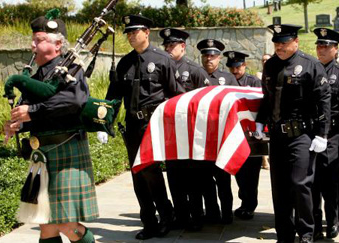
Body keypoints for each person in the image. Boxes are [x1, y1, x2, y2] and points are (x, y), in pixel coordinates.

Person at [4, 14, 98, 243]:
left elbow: (73, 102)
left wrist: (32, 111)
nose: (32, 45)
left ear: (58, 44)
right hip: (42, 155)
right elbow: (35, 112)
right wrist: (18, 123)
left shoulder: (72, 69)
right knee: (46, 224)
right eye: (33, 40)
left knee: (66, 223)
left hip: (66, 150)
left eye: (40, 39)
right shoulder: (37, 76)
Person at [97, 15, 184, 240]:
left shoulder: (162, 59)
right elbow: (113, 98)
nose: (131, 36)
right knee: (138, 174)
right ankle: (149, 222)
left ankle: (166, 216)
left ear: (146, 32)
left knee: (151, 171)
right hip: (133, 125)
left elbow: (176, 94)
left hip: (153, 124)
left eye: (135, 32)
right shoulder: (124, 62)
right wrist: (103, 124)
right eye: (128, 33)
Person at [254, 24, 331, 243]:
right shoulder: (270, 66)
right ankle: (284, 235)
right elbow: (267, 98)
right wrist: (260, 122)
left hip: (302, 135)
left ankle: (306, 233)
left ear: (295, 42)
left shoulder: (310, 65)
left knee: (300, 184)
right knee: (280, 189)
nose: (279, 46)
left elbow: (323, 100)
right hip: (278, 136)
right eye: (276, 43)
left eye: (283, 42)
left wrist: (322, 134)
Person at [159, 27, 209, 231]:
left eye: (172, 45)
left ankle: (197, 216)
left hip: (190, 133)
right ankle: (180, 217)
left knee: (193, 178)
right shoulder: (162, 67)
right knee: (174, 176)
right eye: (166, 45)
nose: (169, 48)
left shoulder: (194, 69)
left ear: (183, 46)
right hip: (170, 133)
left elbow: (205, 101)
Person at [311, 28, 339, 240]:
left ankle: (332, 221)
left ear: (335, 49)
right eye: (319, 45)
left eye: (325, 46)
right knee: (313, 183)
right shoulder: (311, 69)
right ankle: (315, 224)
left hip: (335, 135)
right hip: (314, 133)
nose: (321, 49)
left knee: (331, 184)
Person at [196, 39, 239, 224]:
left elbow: (237, 104)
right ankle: (212, 212)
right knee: (205, 180)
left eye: (212, 56)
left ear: (219, 58)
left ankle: (227, 213)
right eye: (206, 55)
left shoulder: (228, 79)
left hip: (221, 136)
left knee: (223, 179)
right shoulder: (195, 76)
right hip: (201, 137)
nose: (209, 59)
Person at [223, 50, 266, 221]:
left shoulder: (253, 81)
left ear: (244, 65)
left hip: (251, 136)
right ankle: (244, 202)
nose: (235, 70)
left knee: (252, 173)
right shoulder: (226, 82)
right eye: (232, 67)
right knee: (239, 173)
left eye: (238, 66)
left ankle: (250, 205)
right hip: (234, 134)